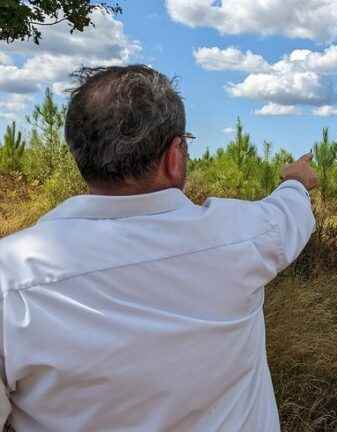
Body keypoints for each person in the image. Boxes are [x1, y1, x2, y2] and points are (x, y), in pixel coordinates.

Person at [0, 65, 318, 431]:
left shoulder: (10, 276)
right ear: (174, 154)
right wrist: (296, 180)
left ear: (79, 153)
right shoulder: (245, 234)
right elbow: (288, 211)